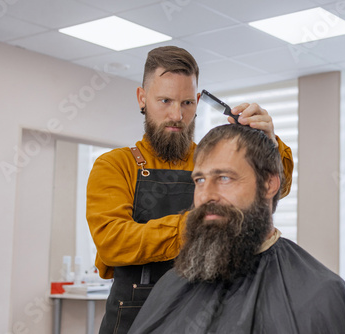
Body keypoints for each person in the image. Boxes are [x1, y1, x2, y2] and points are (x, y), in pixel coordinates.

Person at [86, 46, 294, 334]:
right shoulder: (115, 165)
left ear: (198, 101)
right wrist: (201, 225)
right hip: (135, 316)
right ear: (142, 98)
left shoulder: (211, 159)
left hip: (204, 311)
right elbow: (112, 242)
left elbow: (271, 191)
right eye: (165, 101)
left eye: (186, 103)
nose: (177, 115)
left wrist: (269, 144)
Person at [128, 124, 345, 334]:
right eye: (199, 180)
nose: (206, 195)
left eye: (224, 178)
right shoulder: (172, 284)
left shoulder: (321, 295)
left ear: (269, 184)